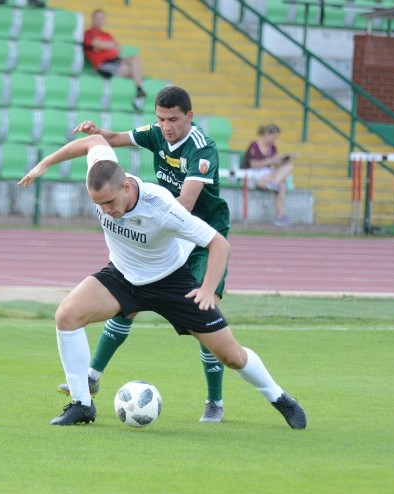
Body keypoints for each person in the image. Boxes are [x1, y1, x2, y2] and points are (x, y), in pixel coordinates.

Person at [17, 135, 308, 430]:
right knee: (66, 316)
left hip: (171, 282)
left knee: (231, 356)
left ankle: (280, 398)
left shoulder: (162, 207)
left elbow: (219, 244)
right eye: (98, 204)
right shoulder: (104, 174)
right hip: (122, 276)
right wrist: (45, 164)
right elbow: (93, 140)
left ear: (126, 187)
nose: (105, 210)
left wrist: (207, 289)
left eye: (109, 202)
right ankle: (82, 404)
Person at [69, 86, 231, 424]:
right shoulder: (156, 133)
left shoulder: (203, 150)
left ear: (190, 116)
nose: (166, 126)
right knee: (128, 297)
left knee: (205, 310)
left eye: (173, 119)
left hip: (199, 235)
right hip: (161, 230)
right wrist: (96, 134)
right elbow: (114, 138)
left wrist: (141, 221)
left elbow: (184, 207)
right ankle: (93, 376)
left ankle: (214, 401)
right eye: (160, 118)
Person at [83, 9, 146, 111]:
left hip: (116, 61)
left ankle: (140, 91)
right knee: (134, 72)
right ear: (93, 19)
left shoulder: (107, 35)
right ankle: (139, 95)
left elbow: (118, 48)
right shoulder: (89, 33)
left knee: (136, 59)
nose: (99, 20)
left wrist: (105, 46)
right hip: (104, 65)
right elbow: (96, 44)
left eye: (101, 18)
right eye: (97, 18)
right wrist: (108, 45)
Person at [243, 124, 295, 226]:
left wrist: (284, 159)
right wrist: (271, 161)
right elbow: (253, 164)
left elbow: (275, 164)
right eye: (273, 137)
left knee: (287, 169)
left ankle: (280, 216)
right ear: (267, 134)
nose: (274, 140)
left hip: (268, 174)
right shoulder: (254, 145)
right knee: (279, 185)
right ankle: (274, 183)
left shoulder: (273, 148)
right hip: (255, 174)